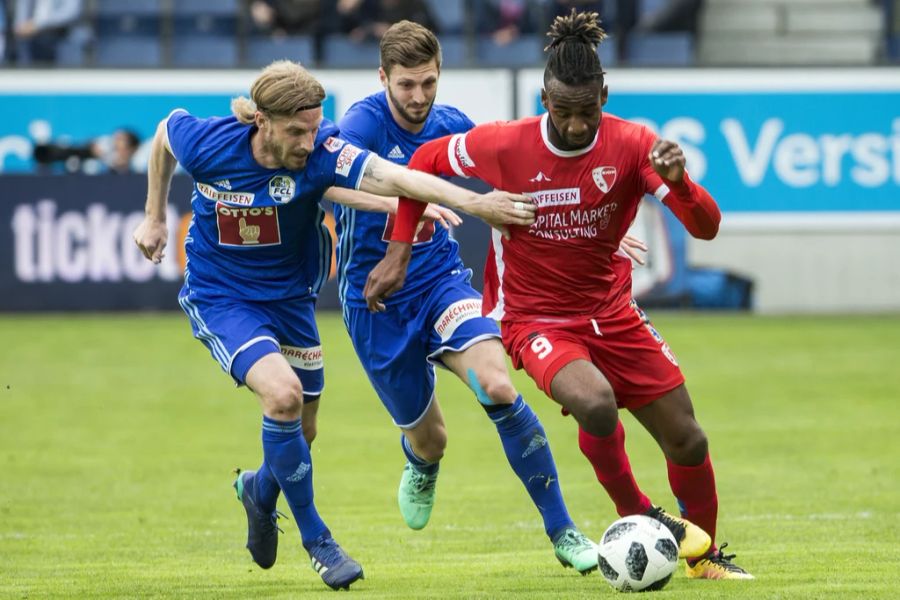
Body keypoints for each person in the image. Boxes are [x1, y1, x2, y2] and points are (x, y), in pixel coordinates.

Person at [364, 9, 754, 580]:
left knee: (688, 439)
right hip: (536, 320)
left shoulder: (633, 144)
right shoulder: (504, 145)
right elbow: (422, 162)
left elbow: (706, 227)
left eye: (587, 112)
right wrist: (399, 251)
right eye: (564, 112)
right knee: (594, 403)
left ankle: (706, 558)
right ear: (545, 100)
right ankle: (639, 514)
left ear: (604, 95)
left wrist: (679, 184)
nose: (576, 126)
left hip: (614, 313)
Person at [131, 60, 535, 591]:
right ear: (261, 121)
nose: (310, 140)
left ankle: (259, 490)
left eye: (316, 126)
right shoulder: (209, 142)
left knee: (304, 429)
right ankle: (318, 540)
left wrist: (471, 202)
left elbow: (395, 175)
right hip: (223, 296)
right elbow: (163, 135)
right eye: (297, 131)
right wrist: (155, 215)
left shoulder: (321, 151)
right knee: (283, 397)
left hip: (291, 299)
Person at [328, 19, 601, 574]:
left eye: (428, 82)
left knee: (497, 384)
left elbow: (529, 175)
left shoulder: (451, 125)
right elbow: (327, 184)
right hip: (376, 301)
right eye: (405, 85)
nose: (418, 97)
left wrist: (601, 227)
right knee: (431, 439)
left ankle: (563, 530)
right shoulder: (360, 123)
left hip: (440, 283)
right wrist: (412, 201)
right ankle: (421, 462)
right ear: (383, 78)